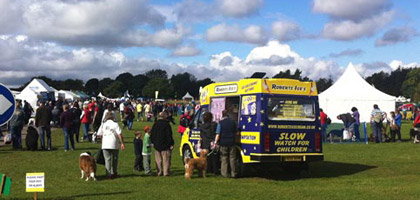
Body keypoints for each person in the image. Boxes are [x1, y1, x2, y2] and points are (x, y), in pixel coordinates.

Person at [97, 112, 125, 179]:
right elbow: (119, 134)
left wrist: (103, 137)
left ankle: (108, 174)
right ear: (113, 117)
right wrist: (122, 143)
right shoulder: (115, 124)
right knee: (115, 159)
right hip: (114, 144)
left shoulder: (103, 124)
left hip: (105, 144)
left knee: (107, 159)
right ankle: (114, 173)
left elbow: (99, 134)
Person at [214, 110, 238, 178]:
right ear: (228, 115)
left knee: (224, 158)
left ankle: (224, 174)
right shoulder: (233, 122)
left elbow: (218, 134)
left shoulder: (220, 123)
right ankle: (233, 173)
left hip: (223, 142)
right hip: (232, 142)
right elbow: (236, 132)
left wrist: (215, 142)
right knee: (232, 158)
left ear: (222, 115)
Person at [150, 112, 174, 176]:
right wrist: (171, 143)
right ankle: (166, 172)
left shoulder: (155, 124)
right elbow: (169, 135)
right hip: (165, 145)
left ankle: (159, 171)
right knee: (166, 160)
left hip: (157, 144)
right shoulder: (167, 125)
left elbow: (152, 134)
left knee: (158, 160)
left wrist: (152, 142)